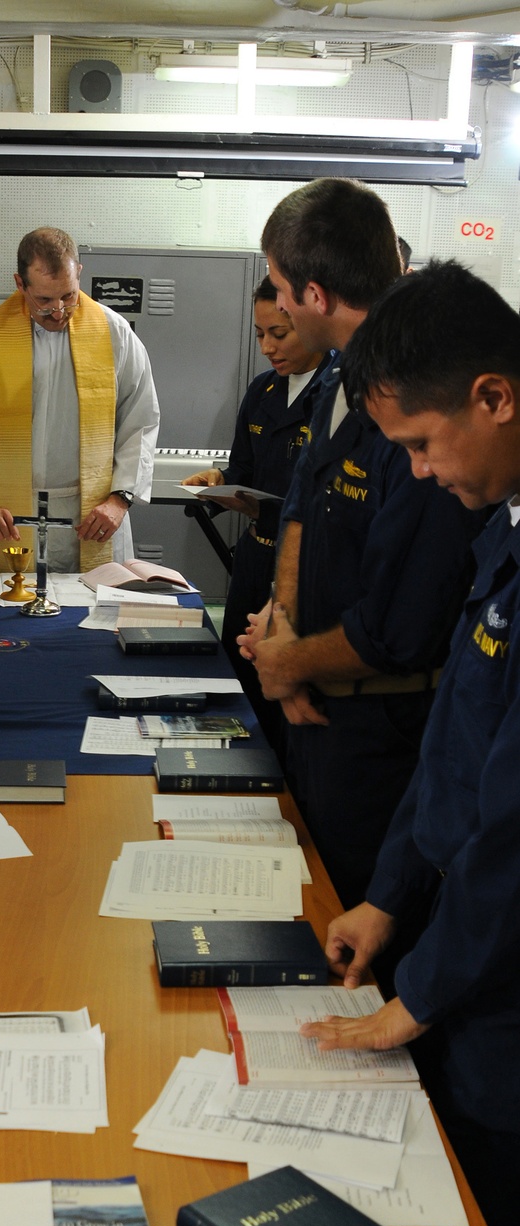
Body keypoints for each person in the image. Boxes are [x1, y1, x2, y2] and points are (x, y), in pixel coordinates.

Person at [301, 258, 520, 1226]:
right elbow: (457, 741)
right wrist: (388, 899)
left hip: (503, 1003)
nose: (421, 474)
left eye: (428, 444)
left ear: (494, 395)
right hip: (462, 959)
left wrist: (422, 994)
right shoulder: (502, 532)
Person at [247, 179, 483, 912]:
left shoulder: (415, 399)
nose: (276, 307)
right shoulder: (337, 379)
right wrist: (280, 633)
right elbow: (299, 511)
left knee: (355, 927)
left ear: (316, 294)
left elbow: (398, 627)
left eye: (283, 291)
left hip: (379, 739)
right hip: (311, 711)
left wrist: (289, 660)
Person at [0, 226, 160, 573]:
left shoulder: (115, 335)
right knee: (6, 620)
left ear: (79, 273)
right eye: (44, 300)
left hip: (92, 517)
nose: (58, 311)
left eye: (68, 296)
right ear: (20, 284)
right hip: (9, 517)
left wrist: (119, 499)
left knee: (94, 621)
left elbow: (140, 422)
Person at [182, 275, 330, 738]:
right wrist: (221, 481)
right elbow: (242, 466)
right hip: (256, 553)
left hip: (306, 566)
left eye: (279, 334)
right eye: (260, 335)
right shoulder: (263, 391)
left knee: (284, 690)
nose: (267, 346)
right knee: (240, 680)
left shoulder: (338, 394)